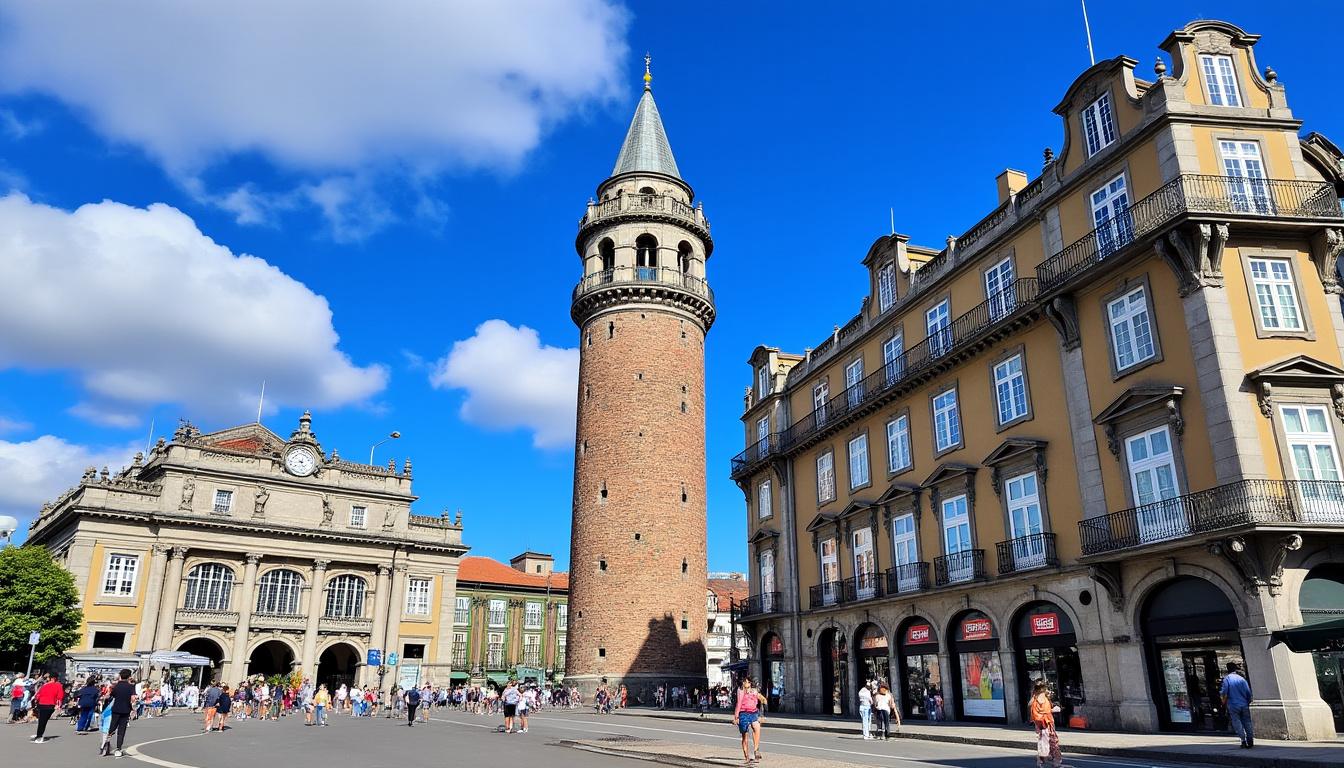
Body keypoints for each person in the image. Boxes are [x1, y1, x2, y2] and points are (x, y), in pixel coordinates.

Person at [1220, 662, 1254, 748]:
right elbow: (1248, 693)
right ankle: (1250, 739)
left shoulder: (1227, 679)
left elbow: (1224, 693)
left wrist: (1223, 703)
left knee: (1237, 722)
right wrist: (1248, 701)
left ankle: (1243, 740)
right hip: (1244, 703)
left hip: (1233, 704)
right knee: (1247, 721)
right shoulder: (1242, 679)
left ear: (1228, 669)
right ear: (1235, 669)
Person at [1030, 681, 1061, 768]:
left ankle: (1041, 761)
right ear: (1042, 689)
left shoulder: (1035, 699)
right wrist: (1053, 710)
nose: (1046, 690)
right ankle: (1055, 762)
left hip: (1040, 724)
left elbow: (1035, 710)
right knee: (1053, 742)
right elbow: (1046, 711)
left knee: (1043, 742)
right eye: (1045, 688)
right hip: (1047, 723)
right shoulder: (1043, 698)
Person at [107, 669, 137, 758]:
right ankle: (118, 748)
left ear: (120, 676)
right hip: (126, 710)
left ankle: (106, 743)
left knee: (112, 727)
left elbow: (112, 695)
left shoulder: (116, 686)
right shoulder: (131, 687)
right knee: (121, 730)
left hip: (116, 709)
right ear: (129, 676)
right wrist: (133, 709)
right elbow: (133, 699)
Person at [733, 677, 763, 764]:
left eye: (748, 682)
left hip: (753, 713)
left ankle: (756, 750)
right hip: (743, 714)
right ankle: (747, 757)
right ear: (742, 683)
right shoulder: (740, 691)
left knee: (756, 727)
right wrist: (736, 717)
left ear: (750, 683)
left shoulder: (754, 691)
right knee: (744, 736)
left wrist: (761, 714)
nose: (746, 683)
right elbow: (738, 703)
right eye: (744, 681)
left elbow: (760, 701)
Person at [29, 673, 64, 744]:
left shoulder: (45, 685)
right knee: (43, 721)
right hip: (50, 704)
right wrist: (58, 705)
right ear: (56, 678)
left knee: (42, 720)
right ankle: (39, 736)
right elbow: (60, 696)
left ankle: (39, 734)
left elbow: (38, 694)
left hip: (41, 704)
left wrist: (36, 701)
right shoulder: (58, 685)